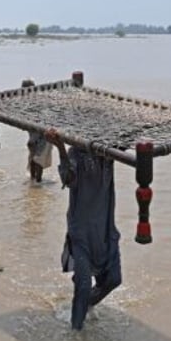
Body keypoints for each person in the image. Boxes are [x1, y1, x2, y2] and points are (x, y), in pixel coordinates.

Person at [45, 128, 122, 330]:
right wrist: (60, 147)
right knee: (84, 285)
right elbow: (68, 179)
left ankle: (87, 304)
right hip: (82, 231)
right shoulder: (76, 153)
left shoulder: (108, 154)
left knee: (114, 279)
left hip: (105, 228)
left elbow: (128, 144)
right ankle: (75, 336)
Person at [21, 79, 53, 182]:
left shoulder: (34, 102)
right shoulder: (27, 102)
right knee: (36, 159)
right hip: (36, 135)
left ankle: (35, 182)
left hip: (41, 134)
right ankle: (35, 181)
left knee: (36, 159)